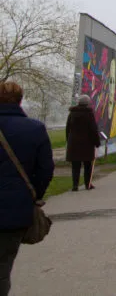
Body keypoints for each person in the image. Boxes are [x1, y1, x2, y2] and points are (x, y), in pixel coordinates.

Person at [0, 81, 54, 296]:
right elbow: (45, 170)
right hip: (14, 210)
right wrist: (32, 195)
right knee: (2, 268)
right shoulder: (34, 129)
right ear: (20, 100)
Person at [65, 95, 101, 191]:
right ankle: (87, 184)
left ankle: (75, 185)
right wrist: (97, 142)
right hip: (87, 143)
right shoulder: (89, 114)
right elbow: (93, 129)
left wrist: (68, 140)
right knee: (87, 165)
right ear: (87, 103)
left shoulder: (72, 113)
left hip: (74, 143)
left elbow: (68, 129)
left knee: (75, 165)